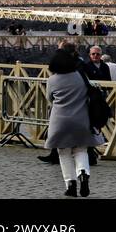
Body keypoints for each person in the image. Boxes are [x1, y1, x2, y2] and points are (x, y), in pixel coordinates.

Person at [45, 47, 98, 196]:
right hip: (81, 119)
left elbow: (49, 98)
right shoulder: (80, 76)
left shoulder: (52, 79)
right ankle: (83, 172)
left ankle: (71, 185)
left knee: (64, 152)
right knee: (81, 150)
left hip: (60, 121)